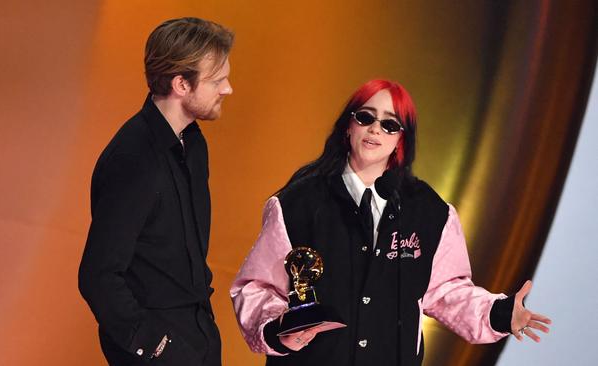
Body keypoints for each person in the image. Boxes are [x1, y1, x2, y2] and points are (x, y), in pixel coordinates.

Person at [230, 79, 551, 366]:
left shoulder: (430, 212)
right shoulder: (299, 202)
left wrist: (499, 313)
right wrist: (277, 329)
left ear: (402, 139)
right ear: (348, 126)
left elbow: (446, 291)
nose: (375, 130)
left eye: (389, 124)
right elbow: (257, 287)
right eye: (366, 118)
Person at [78, 17, 233, 366]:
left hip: (199, 335)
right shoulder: (133, 159)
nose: (228, 89)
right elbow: (97, 275)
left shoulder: (193, 144)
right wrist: (155, 345)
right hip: (157, 349)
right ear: (181, 84)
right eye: (218, 80)